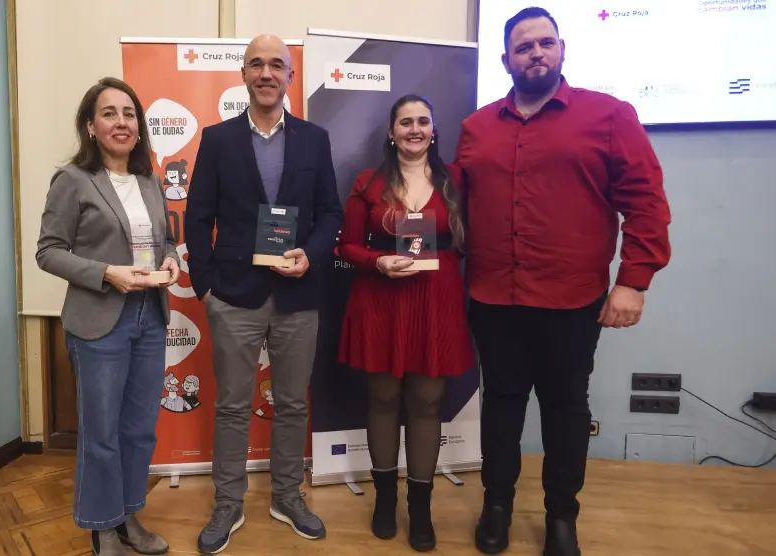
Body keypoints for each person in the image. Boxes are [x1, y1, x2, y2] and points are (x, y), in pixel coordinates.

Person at [452, 7, 672, 556]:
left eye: (545, 43)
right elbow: (457, 207)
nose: (535, 53)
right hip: (493, 297)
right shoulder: (477, 127)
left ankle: (561, 518)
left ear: (562, 49)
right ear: (505, 59)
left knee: (566, 408)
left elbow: (646, 203)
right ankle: (497, 506)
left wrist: (634, 281)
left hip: (572, 300)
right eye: (523, 46)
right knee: (501, 405)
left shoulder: (610, 116)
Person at [184, 33, 343, 554]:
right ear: (244, 74)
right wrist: (206, 287)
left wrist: (311, 255)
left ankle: (286, 497)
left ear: (290, 76)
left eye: (277, 64)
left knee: (292, 404)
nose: (267, 73)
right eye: (257, 64)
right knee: (232, 406)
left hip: (299, 294)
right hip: (234, 295)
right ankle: (228, 504)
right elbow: (198, 216)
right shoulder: (218, 139)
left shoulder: (314, 139)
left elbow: (330, 213)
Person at [36, 77, 182, 556]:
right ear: (90, 126)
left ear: (139, 127)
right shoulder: (73, 180)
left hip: (149, 318)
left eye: (129, 113)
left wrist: (170, 261)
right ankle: (101, 528)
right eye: (109, 113)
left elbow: (163, 241)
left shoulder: (149, 181)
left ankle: (128, 518)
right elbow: (49, 252)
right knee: (101, 433)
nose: (121, 122)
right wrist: (106, 273)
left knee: (138, 429)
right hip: (99, 322)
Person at [336, 94, 476, 552]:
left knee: (427, 402)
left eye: (422, 122)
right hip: (381, 298)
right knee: (382, 398)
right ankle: (384, 500)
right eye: (405, 122)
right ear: (391, 132)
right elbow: (346, 245)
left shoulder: (457, 180)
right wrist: (377, 261)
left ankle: (420, 509)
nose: (414, 130)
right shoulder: (368, 182)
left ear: (433, 130)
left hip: (436, 301)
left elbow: (477, 239)